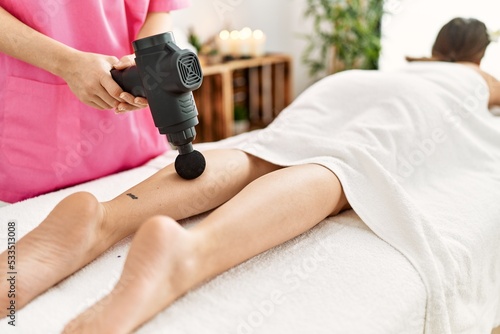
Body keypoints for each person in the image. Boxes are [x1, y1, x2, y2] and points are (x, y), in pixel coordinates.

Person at [0, 17, 499, 333]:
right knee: (343, 163)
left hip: (341, 89)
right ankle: (186, 255)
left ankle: (102, 221)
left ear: (434, 47)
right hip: (416, 107)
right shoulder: (470, 76)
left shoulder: (390, 70)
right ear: (474, 55)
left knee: (264, 148)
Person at [0, 1, 190, 204]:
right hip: (40, 152)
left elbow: (159, 8)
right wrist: (66, 63)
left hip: (135, 144)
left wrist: (145, 62)